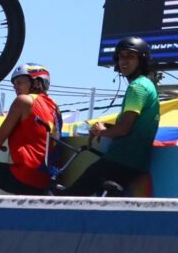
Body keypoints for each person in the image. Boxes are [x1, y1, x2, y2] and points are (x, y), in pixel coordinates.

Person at [61, 37, 160, 196]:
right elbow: (133, 126)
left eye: (131, 56)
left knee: (70, 198)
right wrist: (106, 127)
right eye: (121, 56)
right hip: (134, 164)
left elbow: (124, 129)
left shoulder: (137, 87)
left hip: (120, 161)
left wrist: (102, 131)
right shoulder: (147, 85)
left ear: (141, 61)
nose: (124, 61)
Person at [0, 63, 61, 196]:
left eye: (19, 82)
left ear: (36, 82)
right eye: (14, 85)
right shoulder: (55, 108)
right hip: (47, 178)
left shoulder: (23, 101)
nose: (16, 88)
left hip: (26, 175)